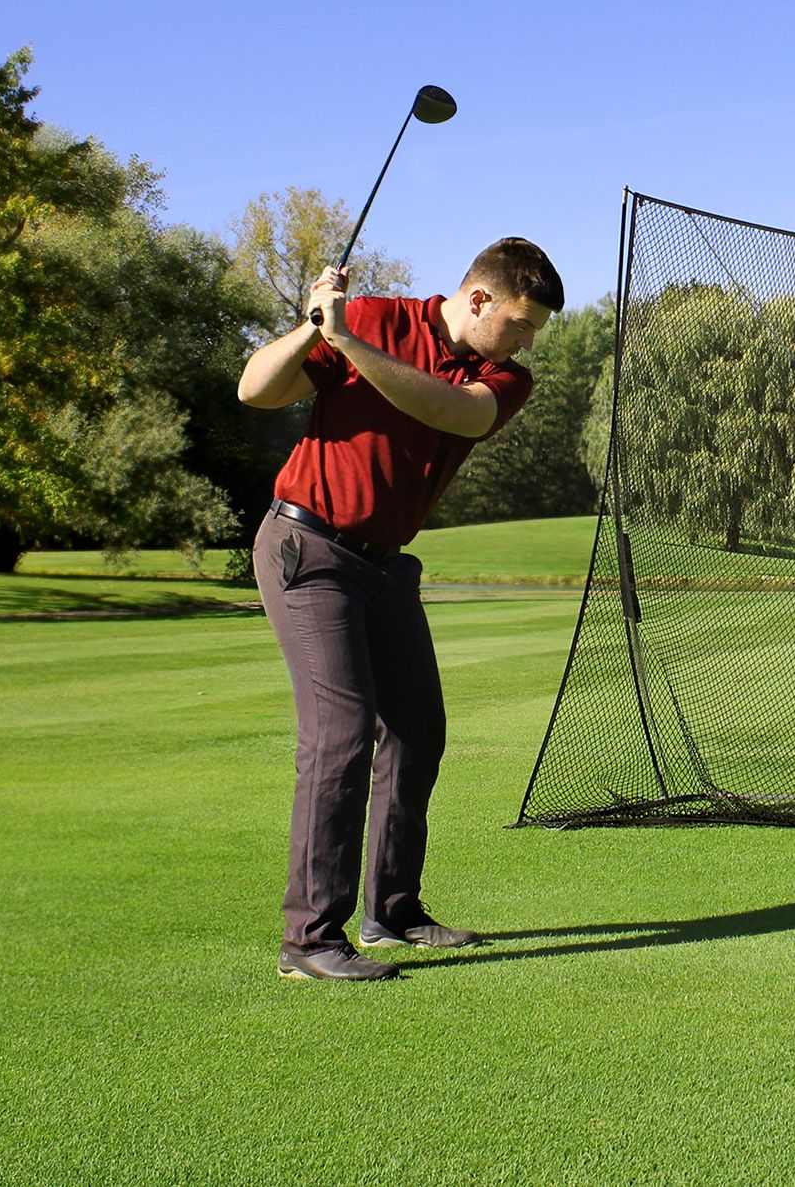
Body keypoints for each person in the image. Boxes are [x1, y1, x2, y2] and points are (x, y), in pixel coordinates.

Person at [237, 238, 561, 980]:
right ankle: (310, 939)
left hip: (384, 566)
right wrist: (315, 328)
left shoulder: (503, 378)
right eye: (519, 323)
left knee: (417, 732)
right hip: (308, 548)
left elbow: (452, 412)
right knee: (340, 735)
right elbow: (256, 390)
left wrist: (348, 343)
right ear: (478, 299)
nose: (525, 342)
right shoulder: (375, 318)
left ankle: (392, 911)